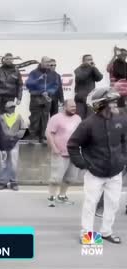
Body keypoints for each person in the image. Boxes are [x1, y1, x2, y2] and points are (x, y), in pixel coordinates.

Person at [67, 87, 126, 244]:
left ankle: (106, 232)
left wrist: (123, 159)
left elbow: (125, 142)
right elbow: (72, 145)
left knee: (113, 203)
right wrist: (83, 164)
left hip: (115, 172)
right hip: (95, 172)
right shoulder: (87, 124)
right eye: (112, 103)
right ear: (101, 105)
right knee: (90, 204)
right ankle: (87, 235)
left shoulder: (121, 120)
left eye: (115, 102)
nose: (115, 105)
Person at [45, 100, 81, 207]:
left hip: (74, 152)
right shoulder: (56, 118)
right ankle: (51, 197)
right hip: (59, 152)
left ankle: (62, 196)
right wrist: (54, 148)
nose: (74, 108)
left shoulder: (78, 118)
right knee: (56, 178)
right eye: (71, 107)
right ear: (65, 107)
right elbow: (49, 134)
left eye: (75, 106)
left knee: (70, 178)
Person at [26, 56, 59, 143]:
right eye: (46, 62)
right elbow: (28, 84)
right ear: (41, 62)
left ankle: (42, 136)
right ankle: (33, 136)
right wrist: (38, 80)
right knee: (35, 118)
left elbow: (55, 86)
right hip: (36, 98)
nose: (48, 64)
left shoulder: (53, 74)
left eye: (49, 62)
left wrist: (48, 92)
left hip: (47, 99)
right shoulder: (34, 73)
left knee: (45, 118)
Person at [0, 101, 26, 191]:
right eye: (10, 107)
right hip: (3, 143)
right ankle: (3, 182)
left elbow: (23, 128)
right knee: (4, 163)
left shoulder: (18, 117)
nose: (12, 108)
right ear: (6, 108)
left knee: (13, 163)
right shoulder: (1, 117)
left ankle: (14, 182)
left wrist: (17, 136)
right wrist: (1, 138)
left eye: (13, 107)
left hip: (14, 142)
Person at [74, 54, 103, 119]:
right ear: (83, 61)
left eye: (91, 59)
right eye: (88, 60)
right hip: (80, 97)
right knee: (79, 117)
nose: (91, 61)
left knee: (90, 117)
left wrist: (94, 68)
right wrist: (91, 68)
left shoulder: (93, 68)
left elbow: (99, 78)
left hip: (90, 96)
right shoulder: (78, 69)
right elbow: (81, 77)